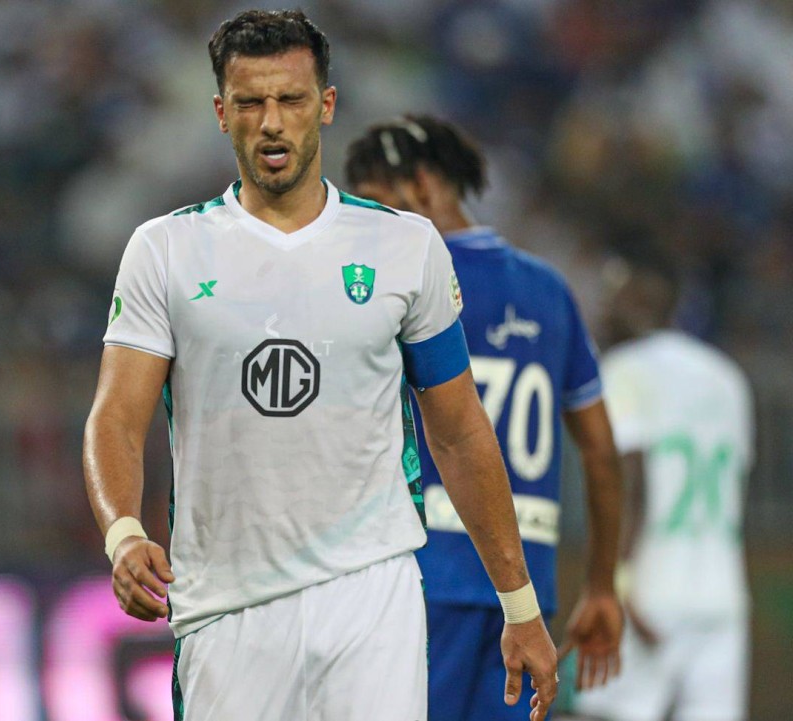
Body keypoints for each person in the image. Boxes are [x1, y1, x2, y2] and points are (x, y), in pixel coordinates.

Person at [82, 10, 558, 721]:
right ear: (221, 113)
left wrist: (519, 605)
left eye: (291, 99)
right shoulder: (165, 250)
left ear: (326, 105)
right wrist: (123, 532)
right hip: (226, 603)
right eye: (250, 103)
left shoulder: (405, 246)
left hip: (371, 593)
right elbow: (117, 416)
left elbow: (459, 430)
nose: (272, 122)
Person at [345, 114, 623, 721]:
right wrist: (602, 585)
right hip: (525, 596)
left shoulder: (397, 284)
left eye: (371, 200)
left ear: (420, 185)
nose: (364, 221)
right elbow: (601, 452)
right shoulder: (550, 290)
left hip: (419, 580)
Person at [573, 255, 755, 721]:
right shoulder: (727, 376)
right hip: (721, 595)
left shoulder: (626, 368)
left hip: (649, 590)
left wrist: (617, 584)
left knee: (610, 713)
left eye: (612, 296)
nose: (602, 310)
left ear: (640, 300)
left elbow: (629, 480)